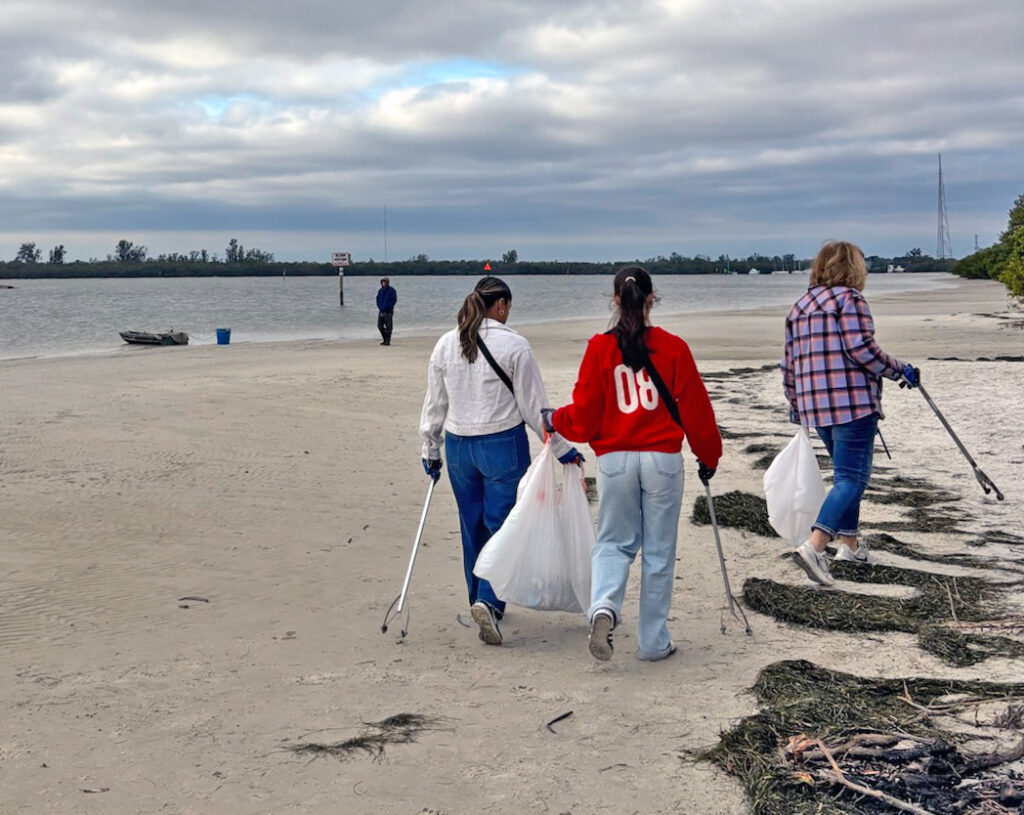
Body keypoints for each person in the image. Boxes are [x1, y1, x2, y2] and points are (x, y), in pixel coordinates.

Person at [543, 266, 722, 662]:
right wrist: (709, 456)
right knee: (659, 551)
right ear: (651, 299)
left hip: (615, 460)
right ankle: (653, 642)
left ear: (615, 300)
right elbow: (696, 411)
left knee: (612, 543)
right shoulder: (674, 348)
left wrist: (556, 419)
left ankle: (604, 607)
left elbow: (586, 417)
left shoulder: (599, 348)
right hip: (662, 459)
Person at [419, 276, 581, 646]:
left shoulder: (446, 344)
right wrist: (561, 449)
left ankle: (478, 596)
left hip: (459, 446)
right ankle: (489, 602)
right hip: (501, 445)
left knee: (472, 526)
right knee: (503, 526)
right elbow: (534, 408)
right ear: (502, 305)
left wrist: (429, 449)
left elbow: (434, 405)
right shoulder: (515, 345)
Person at [782, 240, 919, 587]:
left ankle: (851, 546)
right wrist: (899, 369)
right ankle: (815, 547)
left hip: (817, 406)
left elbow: (789, 364)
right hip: (852, 403)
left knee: (845, 477)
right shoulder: (850, 300)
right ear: (854, 268)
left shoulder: (799, 307)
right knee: (851, 479)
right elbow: (861, 349)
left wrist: (797, 405)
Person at [376, 277, 397, 345]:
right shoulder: (380, 291)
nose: (383, 283)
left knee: (389, 327)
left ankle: (387, 341)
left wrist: (388, 306)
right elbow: (377, 299)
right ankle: (385, 339)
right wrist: (379, 306)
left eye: (385, 282)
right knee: (380, 326)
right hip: (381, 310)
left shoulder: (392, 290)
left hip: (388, 311)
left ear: (387, 282)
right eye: (382, 282)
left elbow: (393, 300)